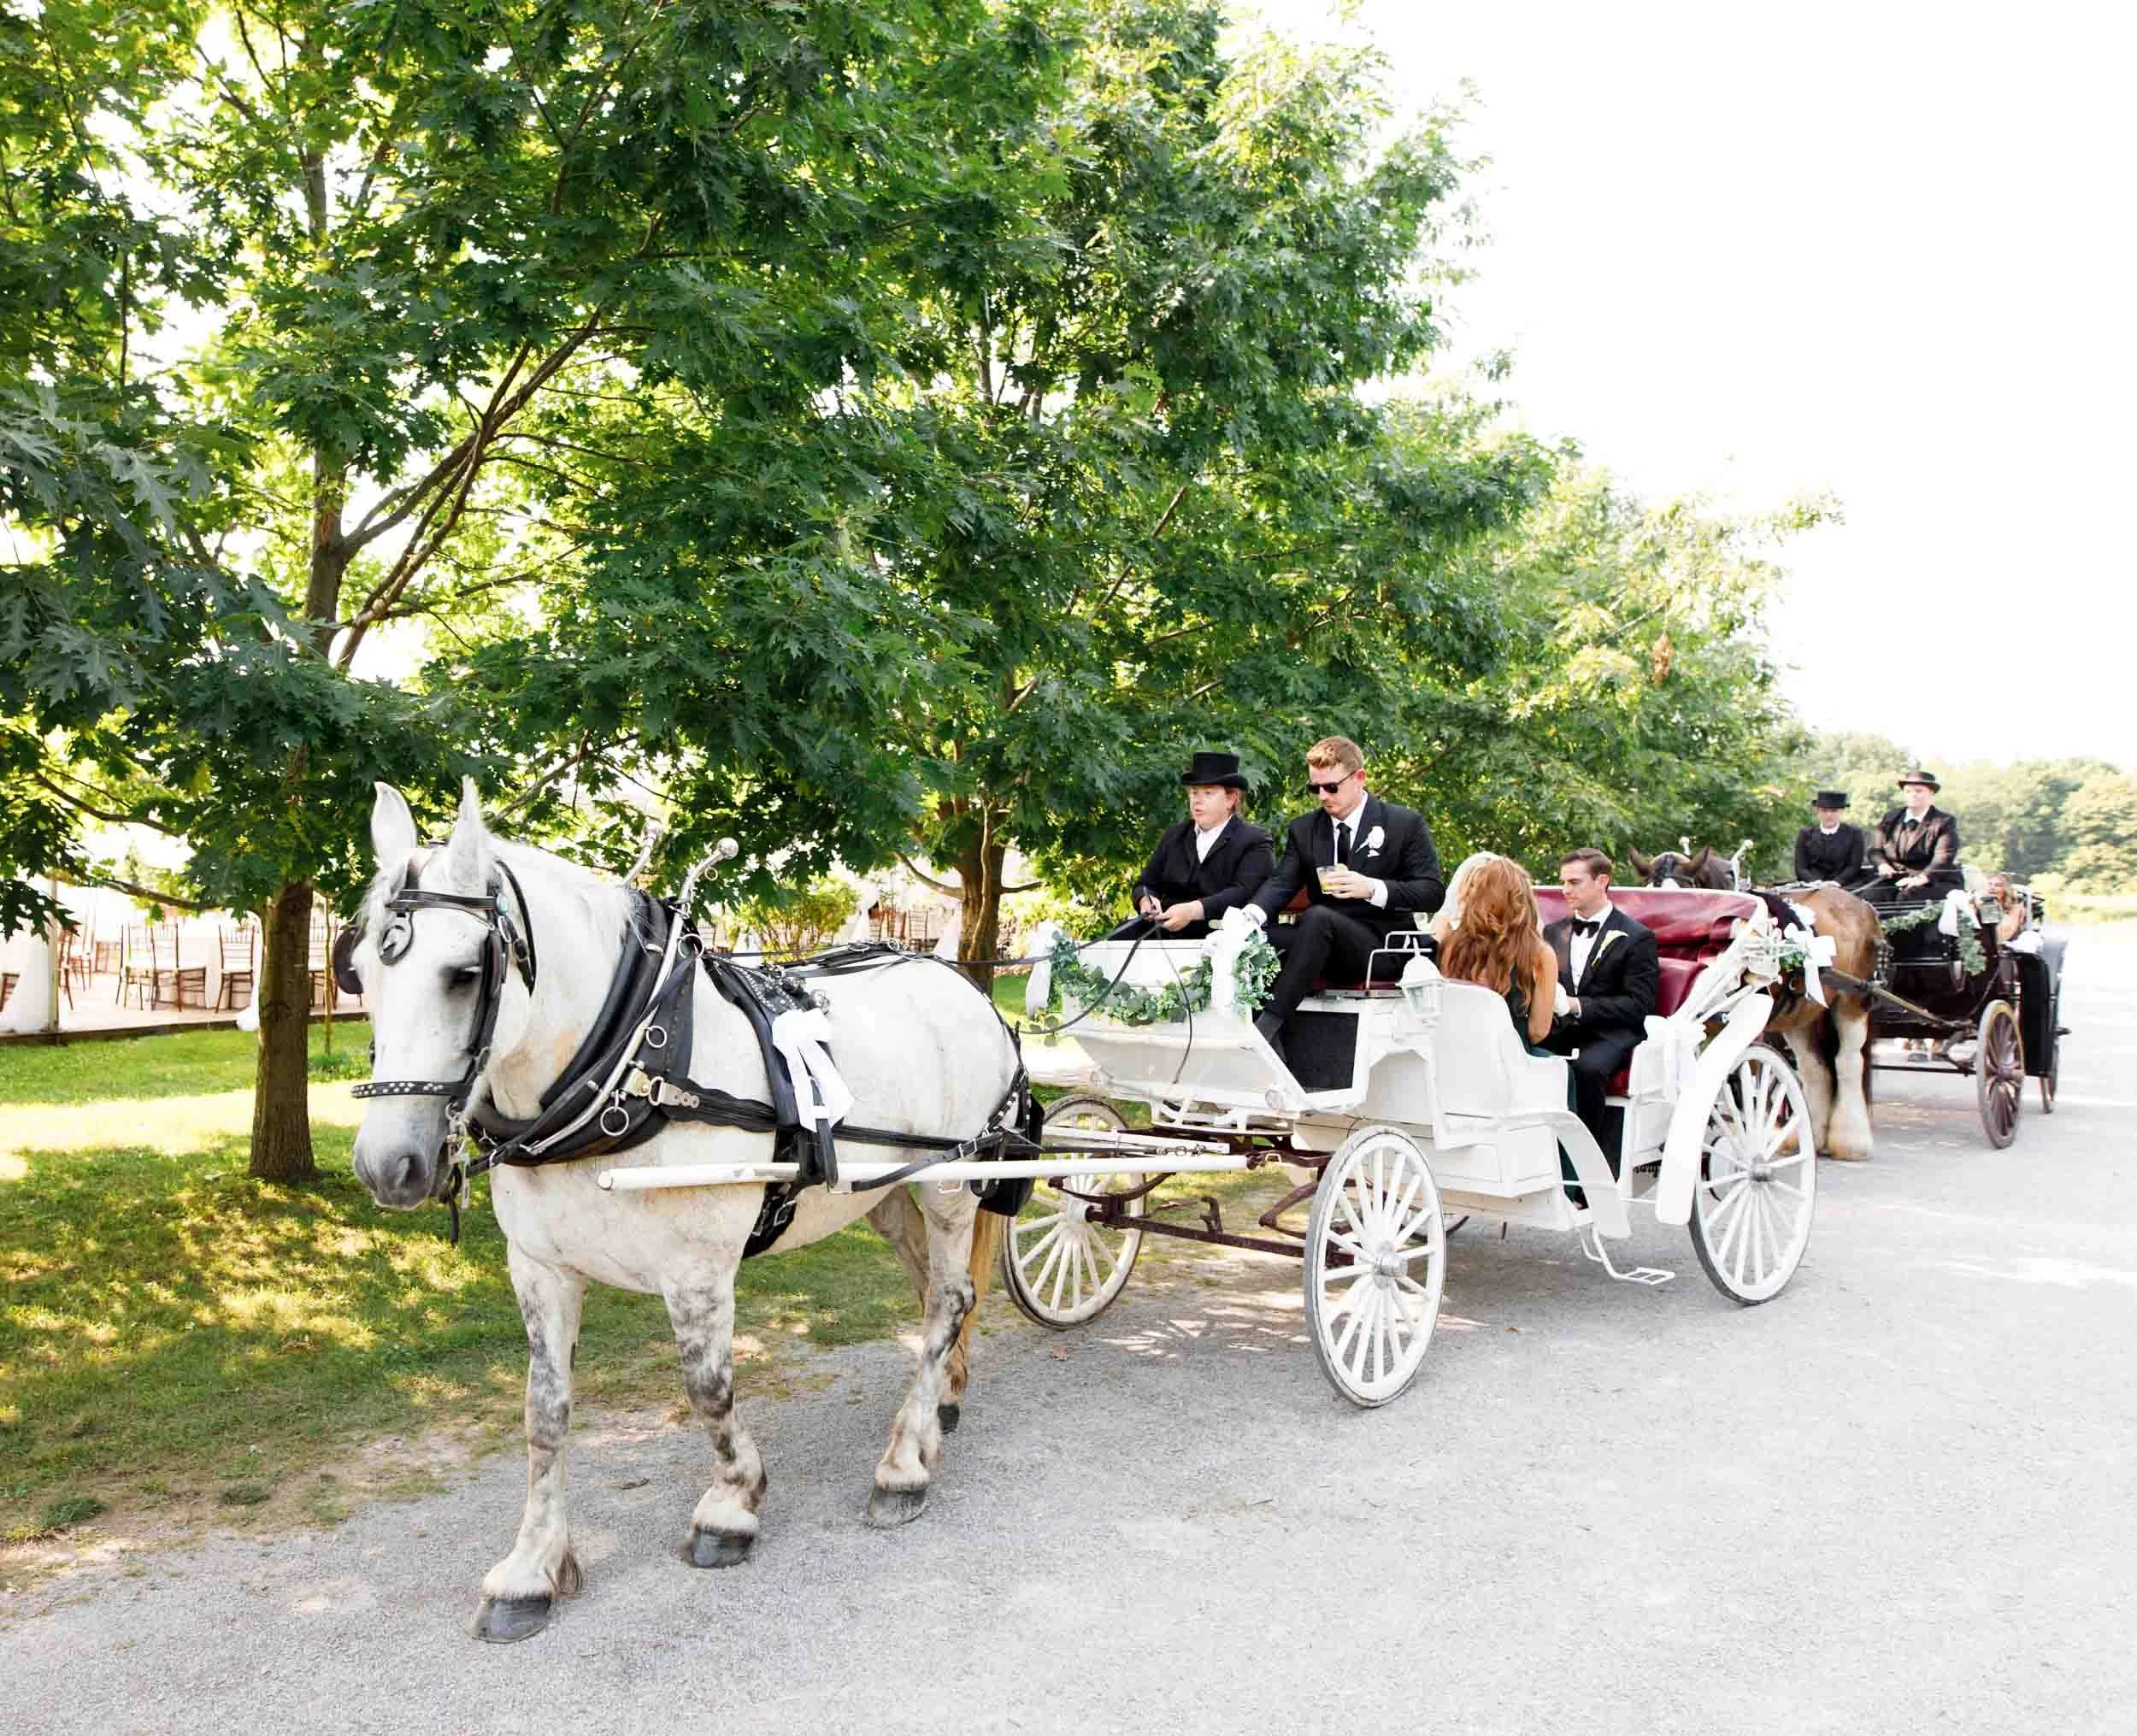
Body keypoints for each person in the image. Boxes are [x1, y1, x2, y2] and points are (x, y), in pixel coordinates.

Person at [1242, 735, 1445, 1050]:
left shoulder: (1404, 824)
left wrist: (1372, 888)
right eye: (1315, 788)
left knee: (1318, 917)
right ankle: (1269, 1041)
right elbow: (1282, 882)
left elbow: (1432, 892)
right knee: (1257, 942)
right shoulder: (1305, 829)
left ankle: (1266, 1027)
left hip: (1380, 947)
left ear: (1359, 778)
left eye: (1331, 787)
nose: (1322, 796)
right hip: (1319, 943)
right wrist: (1248, 918)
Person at [1540, 847, 1659, 1148]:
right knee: (1521, 1053)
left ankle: (1587, 1167)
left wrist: (1578, 1006)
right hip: (1561, 1029)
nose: (1565, 890)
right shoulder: (1553, 933)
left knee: (1588, 1069)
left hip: (1612, 1033)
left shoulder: (1637, 937)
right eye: (1563, 882)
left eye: (1574, 882)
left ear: (1602, 881)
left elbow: (1639, 1005)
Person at [1113, 750, 1276, 940]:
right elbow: (1146, 883)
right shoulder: (1174, 835)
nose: (1197, 800)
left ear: (1230, 799)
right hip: (1167, 930)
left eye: (1208, 793)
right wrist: (1146, 900)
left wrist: (1192, 911)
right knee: (1121, 936)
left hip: (1222, 934)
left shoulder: (1255, 840)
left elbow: (1244, 892)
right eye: (1194, 793)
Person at [1437, 855, 1557, 1048]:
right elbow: (1538, 1031)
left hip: (1456, 1051)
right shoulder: (1541, 954)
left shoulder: (1451, 943)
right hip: (1509, 1058)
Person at [1862, 770, 1962, 905]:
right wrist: (1882, 865)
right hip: (1895, 879)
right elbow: (1874, 850)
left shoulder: (1944, 821)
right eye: (1908, 791)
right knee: (1870, 896)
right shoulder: (1890, 818)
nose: (1913, 795)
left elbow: (1943, 858)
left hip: (1933, 879)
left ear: (1931, 793)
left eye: (1919, 791)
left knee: (1907, 897)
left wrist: (1920, 879)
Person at [1794, 790, 1866, 885]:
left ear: (1841, 812)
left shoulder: (1854, 833)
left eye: (1834, 811)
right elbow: (1800, 868)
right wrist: (1814, 882)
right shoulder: (1805, 834)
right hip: (1812, 886)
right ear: (1817, 811)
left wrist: (1837, 882)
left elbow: (1854, 866)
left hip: (1846, 885)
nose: (1829, 815)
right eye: (1824, 811)